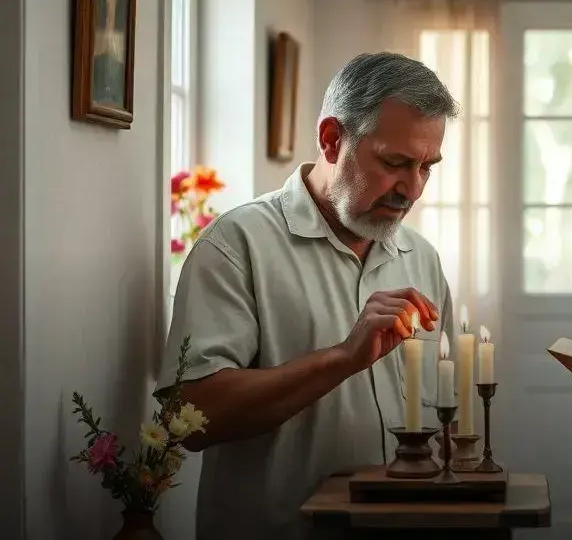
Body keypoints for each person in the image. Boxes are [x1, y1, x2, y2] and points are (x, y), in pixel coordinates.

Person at [155, 52, 460, 540]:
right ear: (331, 139)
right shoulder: (237, 246)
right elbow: (189, 420)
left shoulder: (421, 256)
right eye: (395, 162)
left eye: (428, 167)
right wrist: (341, 358)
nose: (413, 188)